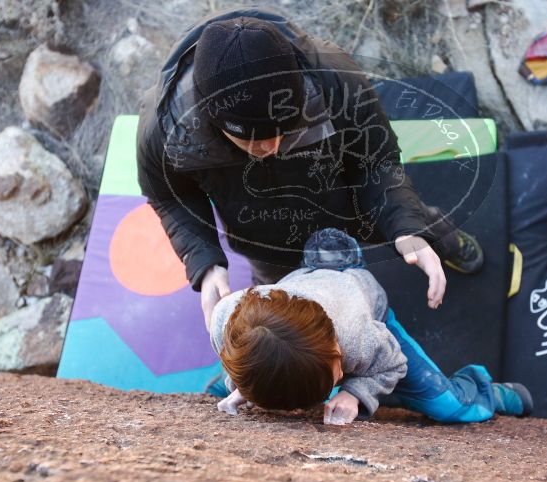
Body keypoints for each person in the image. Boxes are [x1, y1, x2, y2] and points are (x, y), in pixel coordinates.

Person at [136, 8, 484, 330]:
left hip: (350, 204)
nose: (270, 149)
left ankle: (446, 242)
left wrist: (406, 227)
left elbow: (377, 161)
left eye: (282, 131)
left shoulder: (335, 77)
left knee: (416, 223)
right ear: (212, 117)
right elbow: (169, 196)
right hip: (262, 238)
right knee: (282, 306)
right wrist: (205, 262)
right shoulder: (164, 127)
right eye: (251, 140)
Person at [208, 228, 532, 425]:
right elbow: (242, 355)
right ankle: (241, 384)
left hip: (363, 302)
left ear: (339, 352)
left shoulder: (358, 335)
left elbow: (393, 365)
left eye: (336, 375)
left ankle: (486, 393)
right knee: (245, 377)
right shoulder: (226, 319)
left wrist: (354, 393)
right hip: (301, 296)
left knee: (447, 407)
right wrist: (246, 386)